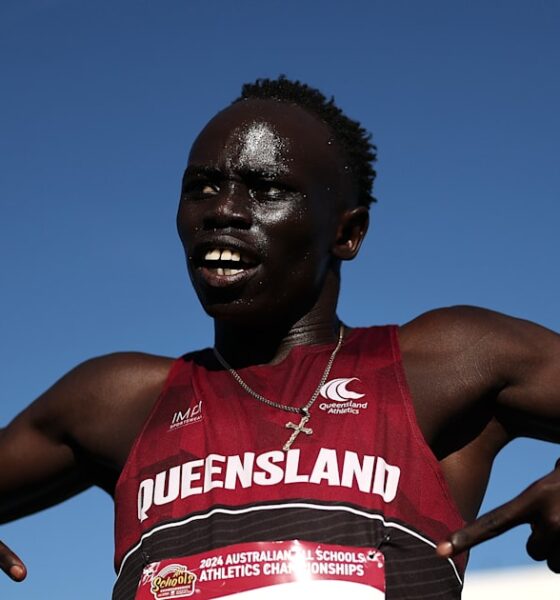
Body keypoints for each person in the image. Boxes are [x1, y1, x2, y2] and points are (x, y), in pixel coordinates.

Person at [0, 76, 559, 599]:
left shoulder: (446, 362)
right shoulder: (116, 401)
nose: (222, 210)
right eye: (202, 187)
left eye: (266, 189)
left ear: (346, 232)